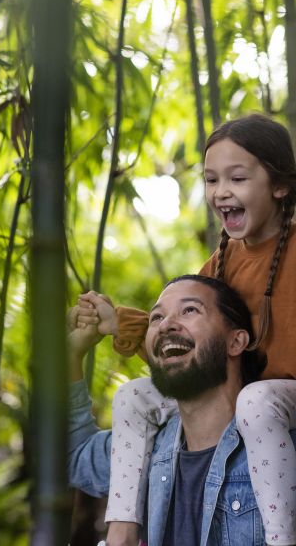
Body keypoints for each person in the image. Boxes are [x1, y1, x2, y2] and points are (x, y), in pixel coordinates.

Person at [78, 114, 296, 546]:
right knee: (134, 395)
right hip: (238, 403)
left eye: (237, 177)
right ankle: (121, 532)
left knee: (256, 399)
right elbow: (193, 352)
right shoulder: (219, 264)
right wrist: (117, 323)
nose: (221, 192)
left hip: (274, 402)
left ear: (280, 185)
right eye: (212, 180)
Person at [67, 274, 296, 546]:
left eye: (190, 310)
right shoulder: (141, 451)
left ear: (235, 342)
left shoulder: (281, 453)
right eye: (156, 318)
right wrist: (69, 356)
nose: (166, 326)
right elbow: (71, 456)